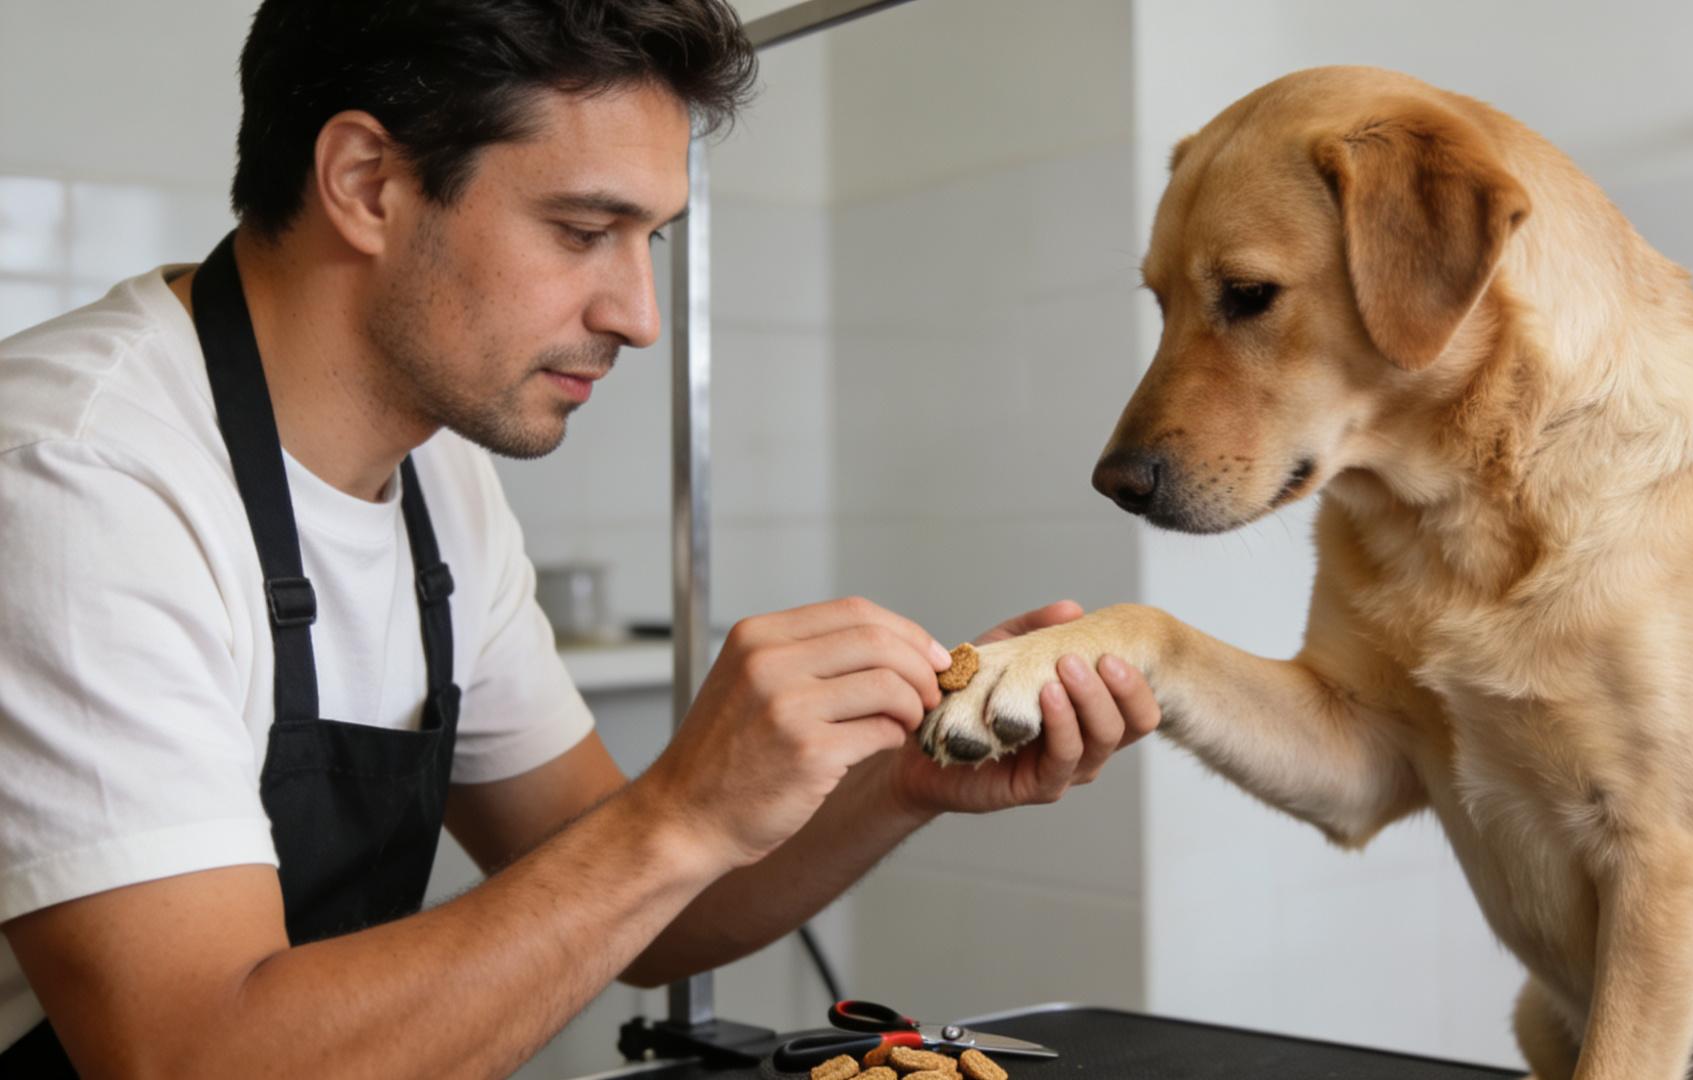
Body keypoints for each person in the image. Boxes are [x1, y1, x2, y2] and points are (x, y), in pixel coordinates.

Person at [0, 1, 1161, 1074]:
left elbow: (657, 917)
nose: (638, 316)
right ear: (365, 183)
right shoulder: (77, 476)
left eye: (648, 239)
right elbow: (188, 1059)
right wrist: (681, 811)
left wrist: (905, 783)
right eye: (584, 229)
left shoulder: (434, 480)